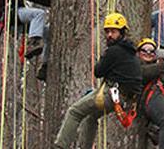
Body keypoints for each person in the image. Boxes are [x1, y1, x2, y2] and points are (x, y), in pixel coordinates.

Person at [54, 13, 143, 148]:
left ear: (122, 32)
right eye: (107, 31)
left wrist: (104, 58)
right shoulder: (131, 53)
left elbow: (98, 71)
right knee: (91, 117)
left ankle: (60, 146)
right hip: (122, 99)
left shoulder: (115, 51)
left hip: (112, 94)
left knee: (74, 112)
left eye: (113, 31)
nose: (109, 35)